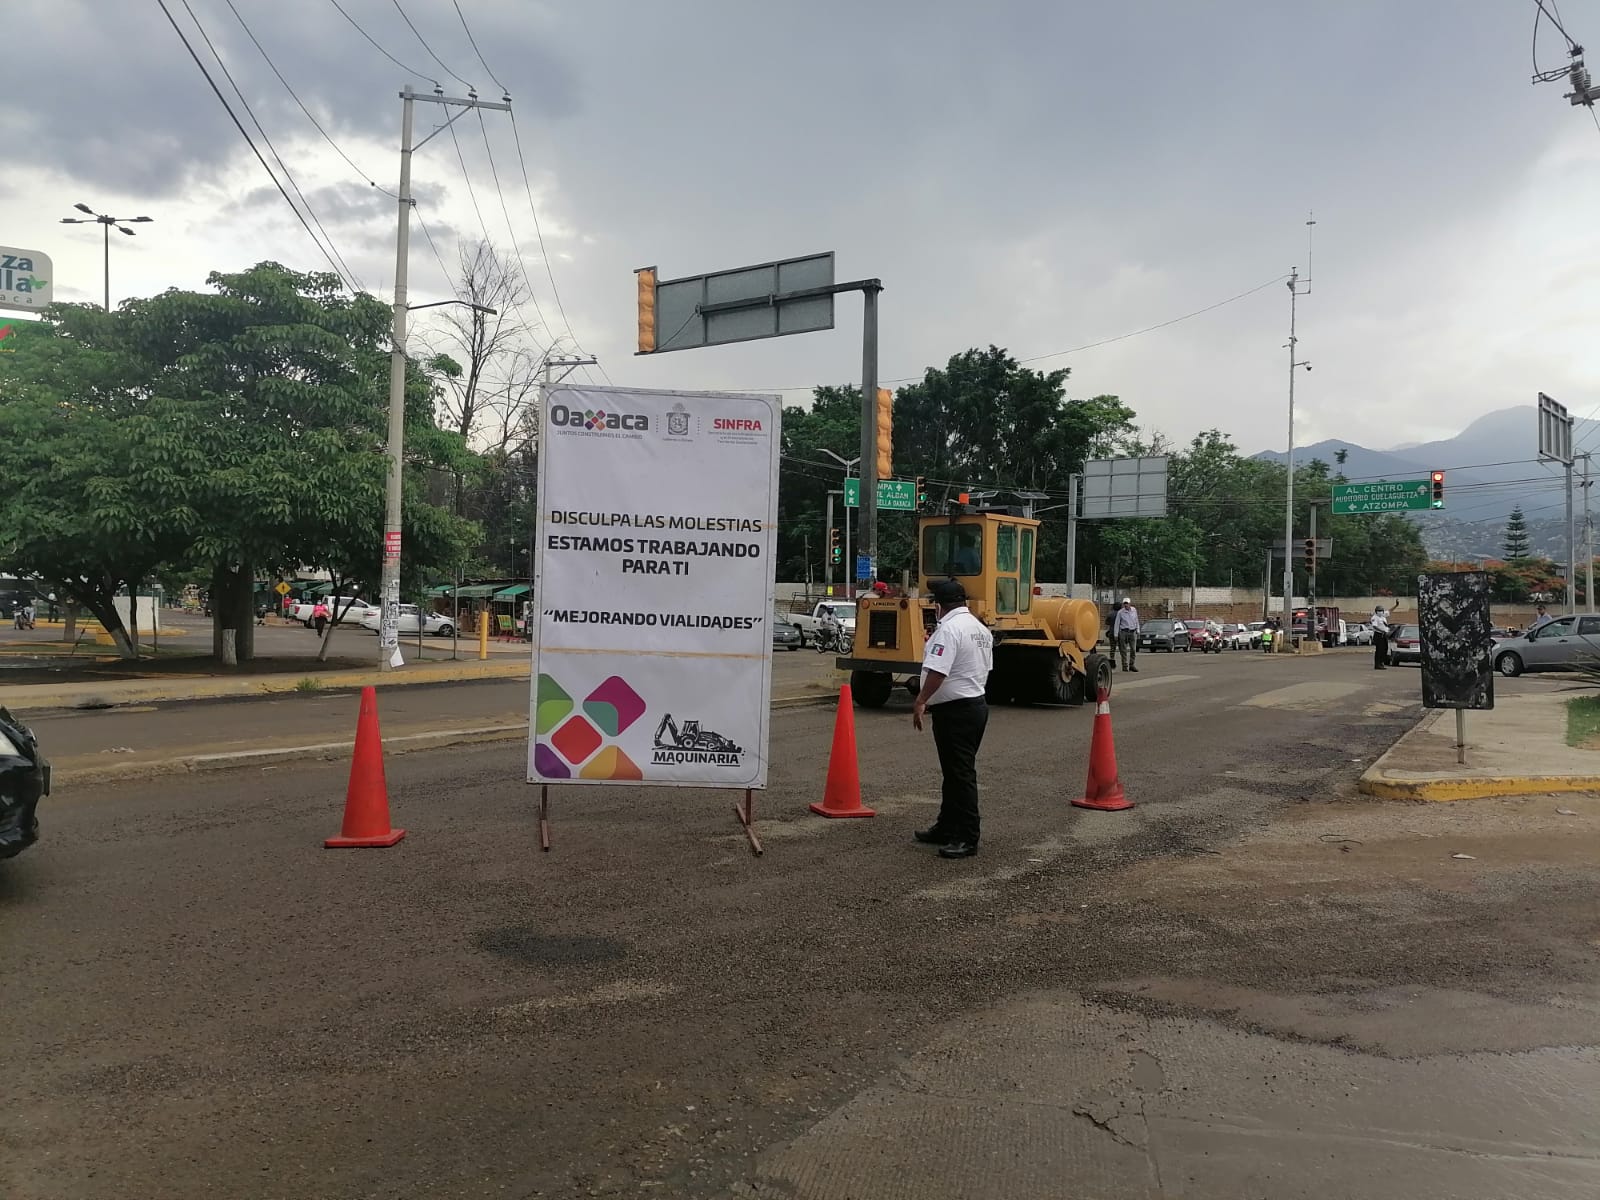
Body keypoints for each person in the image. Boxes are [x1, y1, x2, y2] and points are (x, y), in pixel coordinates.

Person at [911, 579, 995, 860]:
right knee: (954, 772)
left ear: (938, 606)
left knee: (960, 774)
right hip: (974, 706)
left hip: (956, 712)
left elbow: (938, 671)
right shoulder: (980, 629)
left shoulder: (949, 630)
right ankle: (947, 826)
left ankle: (967, 836)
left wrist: (921, 699)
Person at [1112, 598, 1141, 672]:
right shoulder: (1120, 612)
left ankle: (1132, 665)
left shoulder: (1134, 610)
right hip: (1123, 632)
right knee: (1123, 650)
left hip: (1132, 631)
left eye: (1127, 603)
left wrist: (1138, 629)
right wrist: (1116, 634)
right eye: (1124, 603)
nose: (1126, 605)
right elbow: (1117, 623)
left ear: (1130, 604)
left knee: (1133, 649)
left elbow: (1136, 620)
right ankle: (1125, 666)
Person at [1370, 605, 1392, 670]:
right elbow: (1374, 626)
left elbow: (1390, 611)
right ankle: (1377, 664)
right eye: (1379, 611)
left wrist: (1396, 605)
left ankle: (1382, 663)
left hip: (1384, 635)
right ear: (1376, 611)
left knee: (1385, 649)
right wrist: (1382, 631)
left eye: (1382, 611)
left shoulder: (1383, 616)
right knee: (1379, 650)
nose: (1381, 612)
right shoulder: (1374, 618)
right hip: (1378, 635)